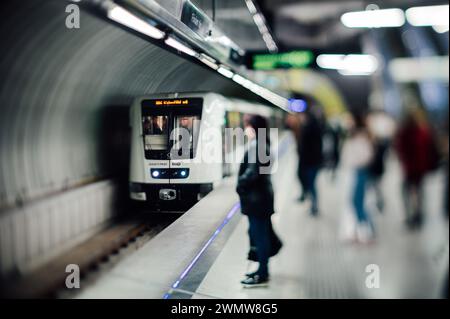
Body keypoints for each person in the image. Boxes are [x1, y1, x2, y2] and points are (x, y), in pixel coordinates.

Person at [236, 115, 281, 287]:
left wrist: (240, 184)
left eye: (247, 126)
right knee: (259, 233)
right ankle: (262, 269)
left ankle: (262, 273)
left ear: (253, 127)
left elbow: (253, 173)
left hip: (257, 199)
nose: (245, 129)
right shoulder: (263, 143)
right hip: (261, 197)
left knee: (259, 235)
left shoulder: (258, 145)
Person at [395, 107, 439, 229]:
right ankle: (418, 214)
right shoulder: (423, 131)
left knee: (407, 192)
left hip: (410, 168)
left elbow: (400, 149)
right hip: (420, 167)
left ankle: (412, 215)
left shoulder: (405, 132)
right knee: (418, 191)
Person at [340, 113, 375, 243]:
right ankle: (358, 231)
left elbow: (366, 156)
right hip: (355, 172)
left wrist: (354, 162)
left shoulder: (361, 137)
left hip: (360, 172)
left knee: (357, 202)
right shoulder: (357, 136)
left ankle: (367, 232)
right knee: (355, 202)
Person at [297, 109, 324, 216]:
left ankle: (314, 206)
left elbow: (305, 148)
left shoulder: (308, 129)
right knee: (312, 184)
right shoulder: (316, 129)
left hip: (309, 162)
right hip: (314, 162)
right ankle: (313, 205)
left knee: (312, 185)